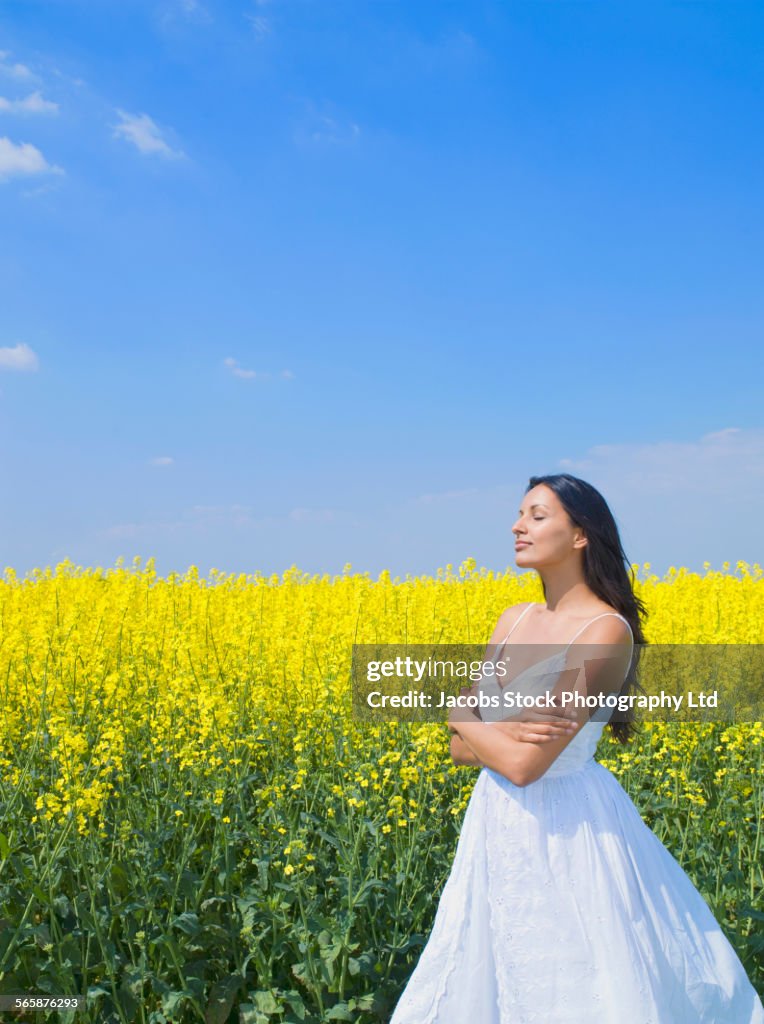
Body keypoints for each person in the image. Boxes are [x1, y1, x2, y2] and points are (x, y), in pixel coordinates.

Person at [389, 473, 764, 1023]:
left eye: (537, 516)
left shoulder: (604, 632)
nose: (518, 526)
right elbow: (462, 751)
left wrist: (462, 711)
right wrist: (479, 725)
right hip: (495, 824)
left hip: (568, 828)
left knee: (570, 978)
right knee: (493, 968)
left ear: (581, 534)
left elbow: (522, 765)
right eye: (520, 515)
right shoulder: (512, 621)